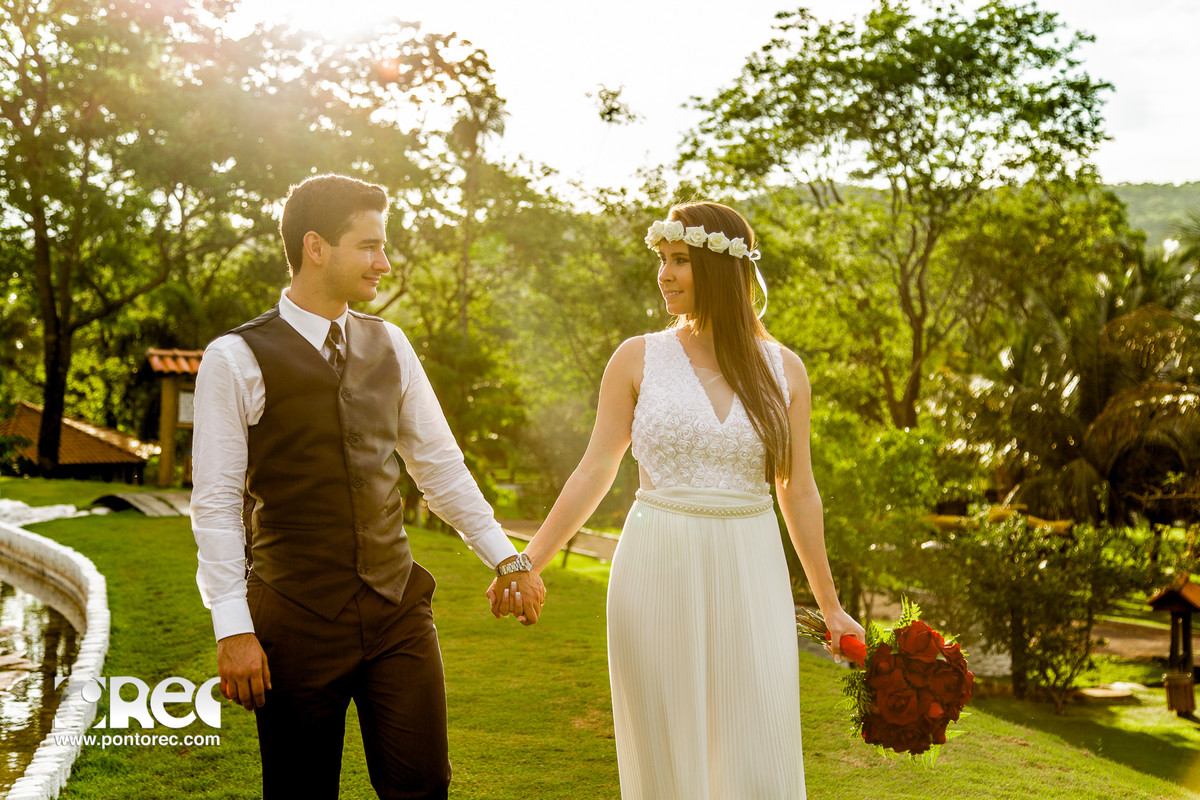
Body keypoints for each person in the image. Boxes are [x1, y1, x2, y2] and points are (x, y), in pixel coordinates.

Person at [491, 201, 863, 798]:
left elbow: (799, 488)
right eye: (662, 259)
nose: (664, 274)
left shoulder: (784, 370)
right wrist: (528, 558)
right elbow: (595, 468)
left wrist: (830, 604)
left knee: (757, 738)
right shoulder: (637, 358)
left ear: (723, 269)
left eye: (680, 261)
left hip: (752, 566)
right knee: (665, 745)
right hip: (656, 563)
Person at [191, 173, 545, 800]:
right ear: (315, 247)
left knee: (423, 785)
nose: (385, 262)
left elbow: (438, 466)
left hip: (396, 609)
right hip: (293, 615)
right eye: (369, 246)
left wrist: (508, 558)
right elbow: (216, 504)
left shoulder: (392, 343)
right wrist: (232, 627)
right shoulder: (234, 357)